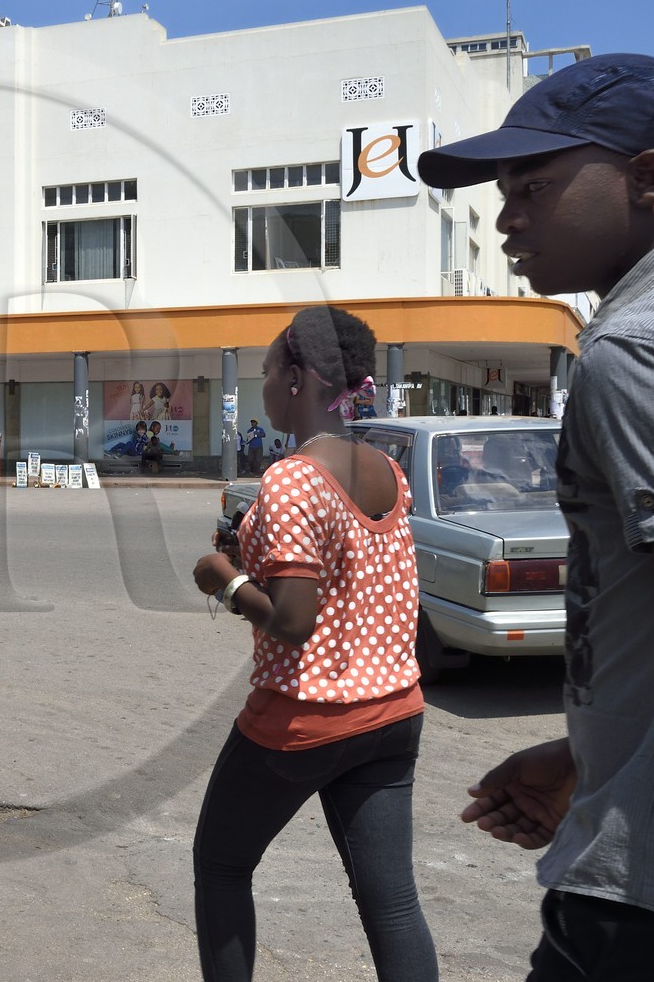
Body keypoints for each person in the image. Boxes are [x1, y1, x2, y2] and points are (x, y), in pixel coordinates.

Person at [419, 53, 654, 976]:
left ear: (646, 177)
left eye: (535, 185)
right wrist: (591, 753)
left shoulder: (645, 349)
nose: (505, 215)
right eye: (501, 190)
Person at [192, 305, 437, 982]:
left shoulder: (293, 477)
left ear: (296, 378)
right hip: (393, 712)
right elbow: (349, 578)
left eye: (267, 370)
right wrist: (246, 552)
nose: (264, 383)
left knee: (220, 865)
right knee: (392, 904)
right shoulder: (386, 469)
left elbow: (295, 620)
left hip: (305, 720)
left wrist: (223, 578)